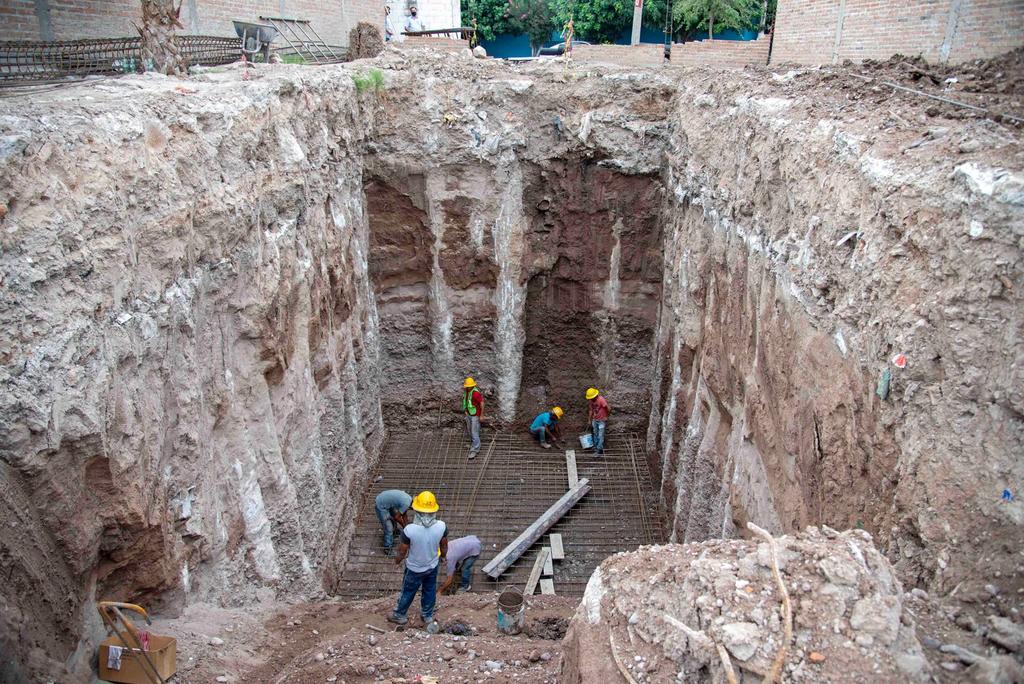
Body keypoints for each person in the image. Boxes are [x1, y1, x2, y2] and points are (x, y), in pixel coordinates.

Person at [388, 491, 448, 633]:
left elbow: (402, 551)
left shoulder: (410, 530)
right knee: (429, 590)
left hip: (414, 568)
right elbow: (444, 546)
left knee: (408, 591)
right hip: (432, 566)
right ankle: (427, 616)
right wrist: (443, 557)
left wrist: (397, 561)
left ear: (417, 510)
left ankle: (399, 615)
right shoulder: (441, 526)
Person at [375, 489, 412, 556]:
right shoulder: (406, 504)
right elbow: (397, 517)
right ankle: (387, 548)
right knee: (389, 527)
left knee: (394, 514)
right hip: (381, 505)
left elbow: (404, 514)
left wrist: (407, 526)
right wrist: (404, 526)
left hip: (386, 501)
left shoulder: (409, 499)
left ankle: (395, 532)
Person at [462, 377, 484, 459]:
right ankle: (473, 444)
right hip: (469, 414)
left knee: (474, 432)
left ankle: (475, 450)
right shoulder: (467, 391)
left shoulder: (475, 393)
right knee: (470, 430)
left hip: (475, 415)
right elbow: (466, 401)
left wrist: (481, 415)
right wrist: (466, 411)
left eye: (469, 386)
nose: (467, 387)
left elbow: (482, 403)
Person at [586, 388, 610, 455]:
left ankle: (599, 450)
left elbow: (608, 408)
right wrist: (589, 420)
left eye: (592, 397)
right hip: (595, 419)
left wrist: (606, 416)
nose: (591, 399)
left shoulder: (601, 399)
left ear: (595, 396)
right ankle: (596, 447)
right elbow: (590, 410)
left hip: (601, 420)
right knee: (595, 433)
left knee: (600, 435)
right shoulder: (591, 400)